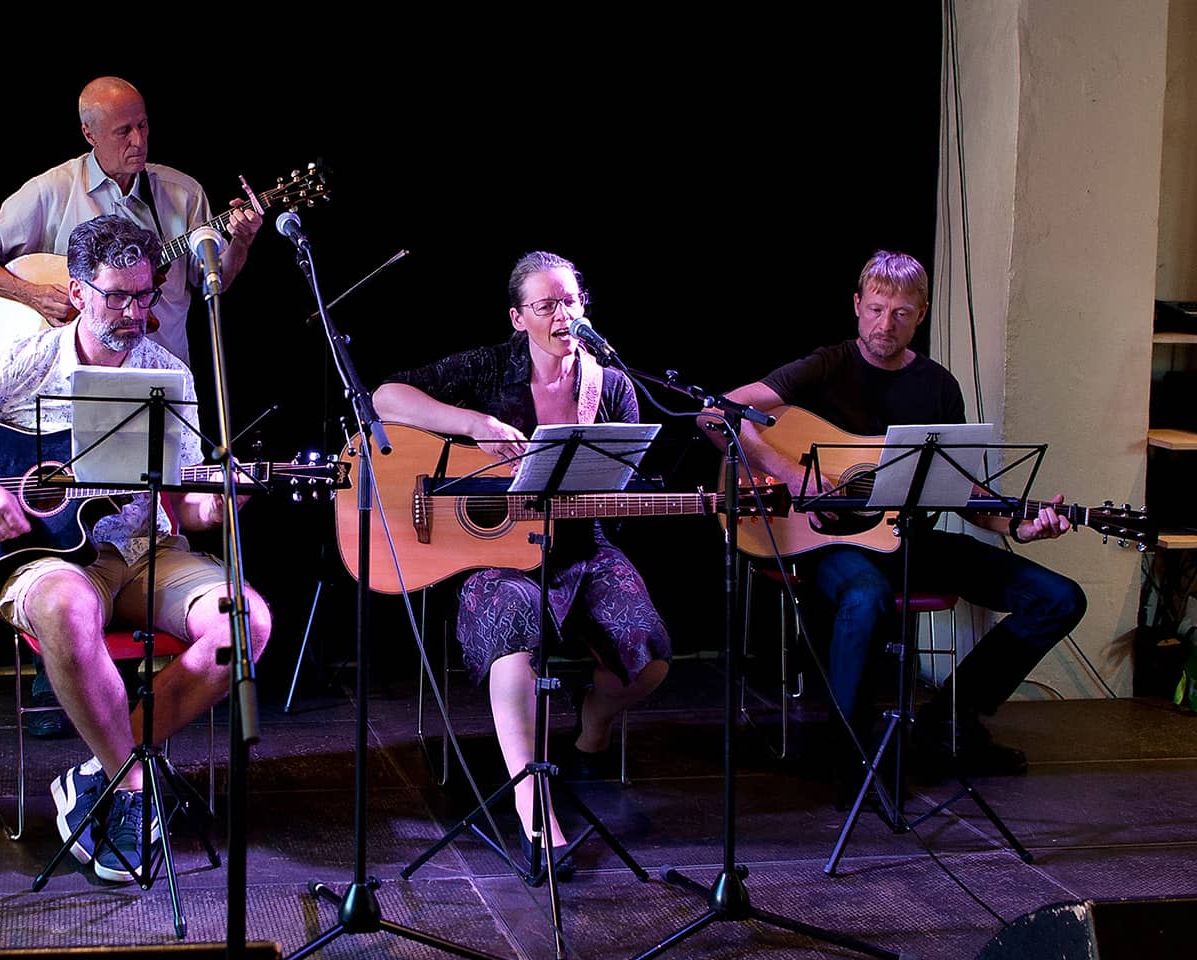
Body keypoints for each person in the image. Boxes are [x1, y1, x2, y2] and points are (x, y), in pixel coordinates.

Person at [0, 214, 270, 884]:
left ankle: (106, 771)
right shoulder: (31, 359)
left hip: (146, 551)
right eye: (116, 296)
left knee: (247, 625)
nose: (132, 311)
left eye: (144, 295)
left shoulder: (167, 373)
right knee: (65, 603)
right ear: (79, 290)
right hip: (49, 559)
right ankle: (131, 789)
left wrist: (225, 498)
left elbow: (195, 505)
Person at [704, 250, 1084, 776]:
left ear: (921, 313)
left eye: (902, 312)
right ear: (857, 305)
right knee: (866, 595)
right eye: (877, 309)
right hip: (828, 543)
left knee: (1060, 598)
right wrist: (792, 474)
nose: (887, 323)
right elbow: (715, 413)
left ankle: (951, 719)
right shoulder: (825, 366)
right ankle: (851, 752)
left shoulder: (938, 386)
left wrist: (1017, 523)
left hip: (909, 540)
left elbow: (959, 492)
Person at [371, 251, 672, 867]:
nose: (562, 315)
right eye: (545, 305)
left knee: (650, 659)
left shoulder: (611, 387)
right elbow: (385, 398)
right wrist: (473, 423)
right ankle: (535, 814)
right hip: (497, 558)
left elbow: (617, 497)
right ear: (518, 318)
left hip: (580, 548)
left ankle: (592, 722)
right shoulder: (488, 368)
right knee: (512, 624)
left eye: (570, 302)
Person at [0, 75, 263, 366]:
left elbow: (214, 278)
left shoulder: (184, 194)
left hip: (163, 377)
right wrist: (31, 294)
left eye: (143, 125)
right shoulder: (54, 190)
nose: (138, 141)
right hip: (76, 384)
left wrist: (242, 240)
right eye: (124, 131)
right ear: (89, 133)